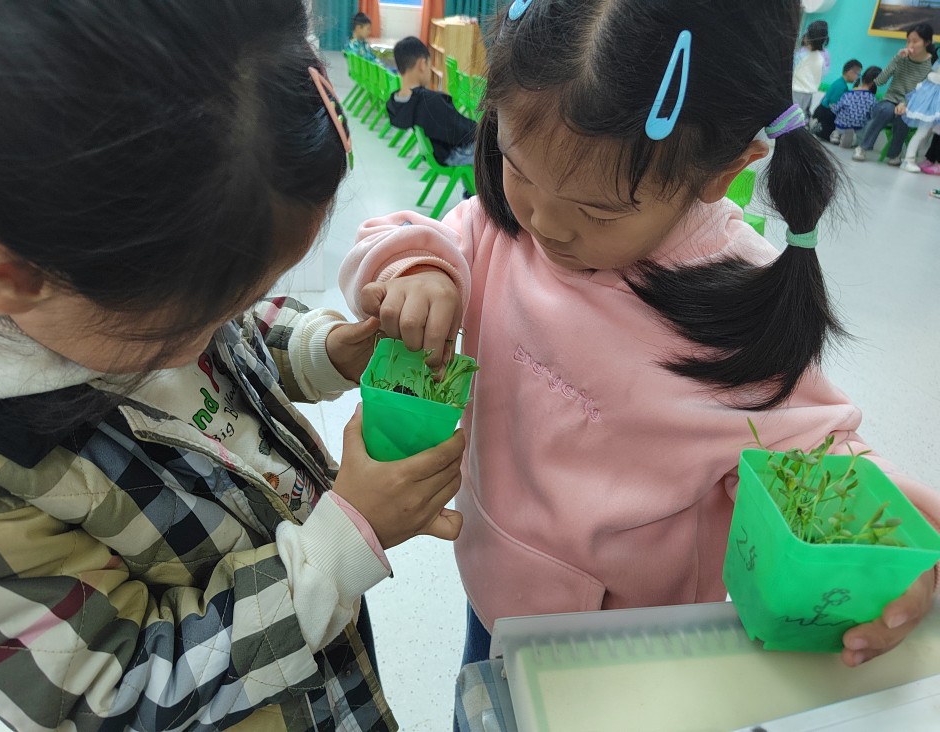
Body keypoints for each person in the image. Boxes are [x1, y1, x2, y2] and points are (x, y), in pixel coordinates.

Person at [339, 0, 940, 688]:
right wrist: (419, 271)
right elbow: (404, 239)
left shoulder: (732, 305)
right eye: (517, 167)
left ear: (722, 171)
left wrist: (893, 544)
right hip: (492, 587)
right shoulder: (500, 229)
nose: (544, 223)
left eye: (597, 211)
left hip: (627, 646)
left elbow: (816, 450)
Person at [0, 2, 466, 730]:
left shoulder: (132, 276)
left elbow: (239, 336)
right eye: (198, 318)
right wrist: (337, 547)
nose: (217, 337)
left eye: (245, 297)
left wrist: (327, 349)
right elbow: (120, 698)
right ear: (7, 280)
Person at [387, 36, 477, 167]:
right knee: (495, 147)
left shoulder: (397, 102)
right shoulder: (430, 101)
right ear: (422, 64)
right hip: (452, 153)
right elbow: (462, 132)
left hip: (437, 153)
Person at [853, 24, 936, 164]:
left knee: (904, 116)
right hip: (889, 101)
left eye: (915, 41)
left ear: (926, 43)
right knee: (886, 110)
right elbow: (879, 81)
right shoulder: (901, 58)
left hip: (910, 104)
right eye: (908, 41)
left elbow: (923, 93)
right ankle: (862, 148)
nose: (910, 45)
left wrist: (906, 104)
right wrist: (896, 58)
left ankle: (894, 155)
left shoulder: (931, 66)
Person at [900, 58, 940, 173]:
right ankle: (908, 159)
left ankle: (920, 158)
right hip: (930, 109)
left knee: (927, 134)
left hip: (932, 109)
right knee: (922, 133)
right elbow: (933, 78)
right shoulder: (934, 78)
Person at [829, 66, 881, 148]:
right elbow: (871, 115)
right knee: (869, 120)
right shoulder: (872, 98)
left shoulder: (848, 94)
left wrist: (832, 107)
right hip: (858, 127)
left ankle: (837, 134)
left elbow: (837, 109)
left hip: (842, 124)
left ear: (863, 78)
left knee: (837, 110)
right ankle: (855, 139)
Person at [812, 59, 861, 141]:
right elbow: (833, 104)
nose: (858, 77)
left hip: (824, 110)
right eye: (858, 74)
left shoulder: (840, 82)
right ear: (850, 72)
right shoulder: (841, 86)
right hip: (827, 113)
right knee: (827, 133)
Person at [792, 20, 830, 116]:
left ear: (807, 38)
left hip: (795, 90)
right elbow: (823, 73)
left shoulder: (801, 54)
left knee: (792, 114)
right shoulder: (823, 56)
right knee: (800, 113)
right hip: (809, 91)